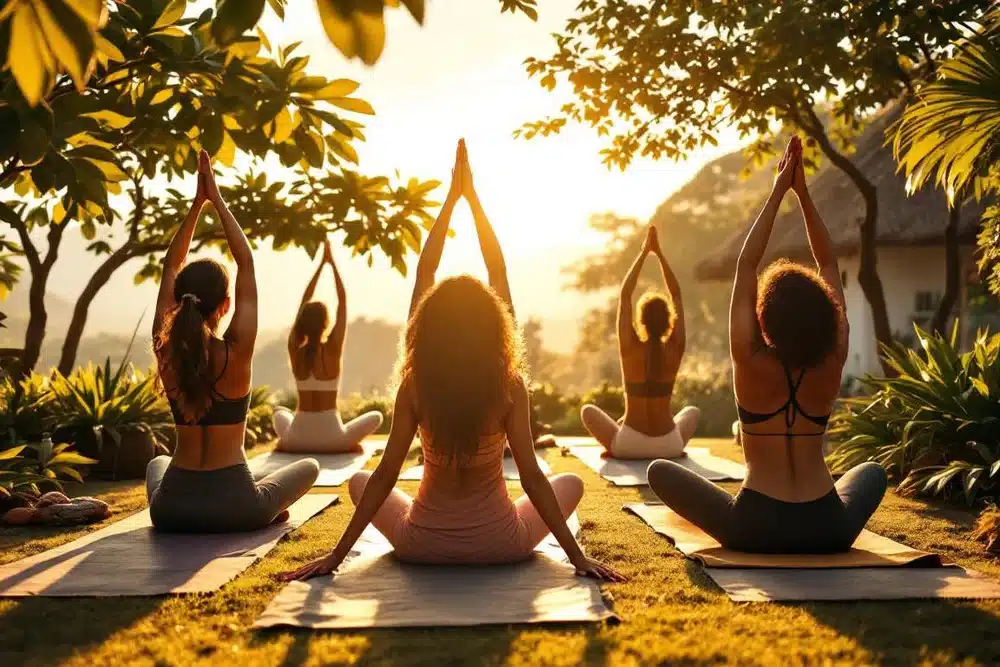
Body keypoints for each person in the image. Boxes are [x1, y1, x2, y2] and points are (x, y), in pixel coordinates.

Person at [279, 140, 625, 581]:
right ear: (492, 327)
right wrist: (576, 559)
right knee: (569, 483)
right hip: (501, 545)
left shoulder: (416, 384)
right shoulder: (507, 385)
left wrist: (336, 557)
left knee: (361, 482)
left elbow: (386, 473)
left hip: (420, 545)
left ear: (429, 327)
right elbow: (535, 480)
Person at [647, 136, 887, 554]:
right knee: (872, 473)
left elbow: (746, 263)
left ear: (764, 318)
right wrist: (804, 195)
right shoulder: (832, 359)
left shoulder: (749, 358)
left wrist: (779, 191)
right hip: (828, 527)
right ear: (825, 316)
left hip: (754, 526)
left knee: (659, 471)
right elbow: (829, 264)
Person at [147, 150, 319, 533]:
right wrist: (216, 199)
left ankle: (265, 506)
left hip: (172, 510)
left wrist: (196, 206)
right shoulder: (236, 353)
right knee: (310, 467)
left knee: (157, 465)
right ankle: (270, 508)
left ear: (179, 304)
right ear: (225, 305)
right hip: (238, 507)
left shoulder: (165, 350)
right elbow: (246, 262)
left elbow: (170, 265)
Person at [580, 225, 699, 458]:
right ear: (669, 321)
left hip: (629, 446)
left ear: (641, 320)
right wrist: (660, 255)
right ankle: (661, 444)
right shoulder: (675, 349)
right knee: (692, 412)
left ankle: (617, 443)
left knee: (587, 411)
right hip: (670, 446)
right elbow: (676, 294)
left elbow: (625, 296)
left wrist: (644, 253)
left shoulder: (629, 348)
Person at [272, 239, 383, 453]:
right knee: (376, 416)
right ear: (326, 323)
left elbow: (304, 302)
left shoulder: (296, 351)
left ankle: (286, 443)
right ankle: (347, 444)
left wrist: (319, 266)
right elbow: (342, 301)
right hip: (334, 440)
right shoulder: (332, 349)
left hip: (297, 440)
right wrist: (331, 263)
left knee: (279, 411)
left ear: (302, 322)